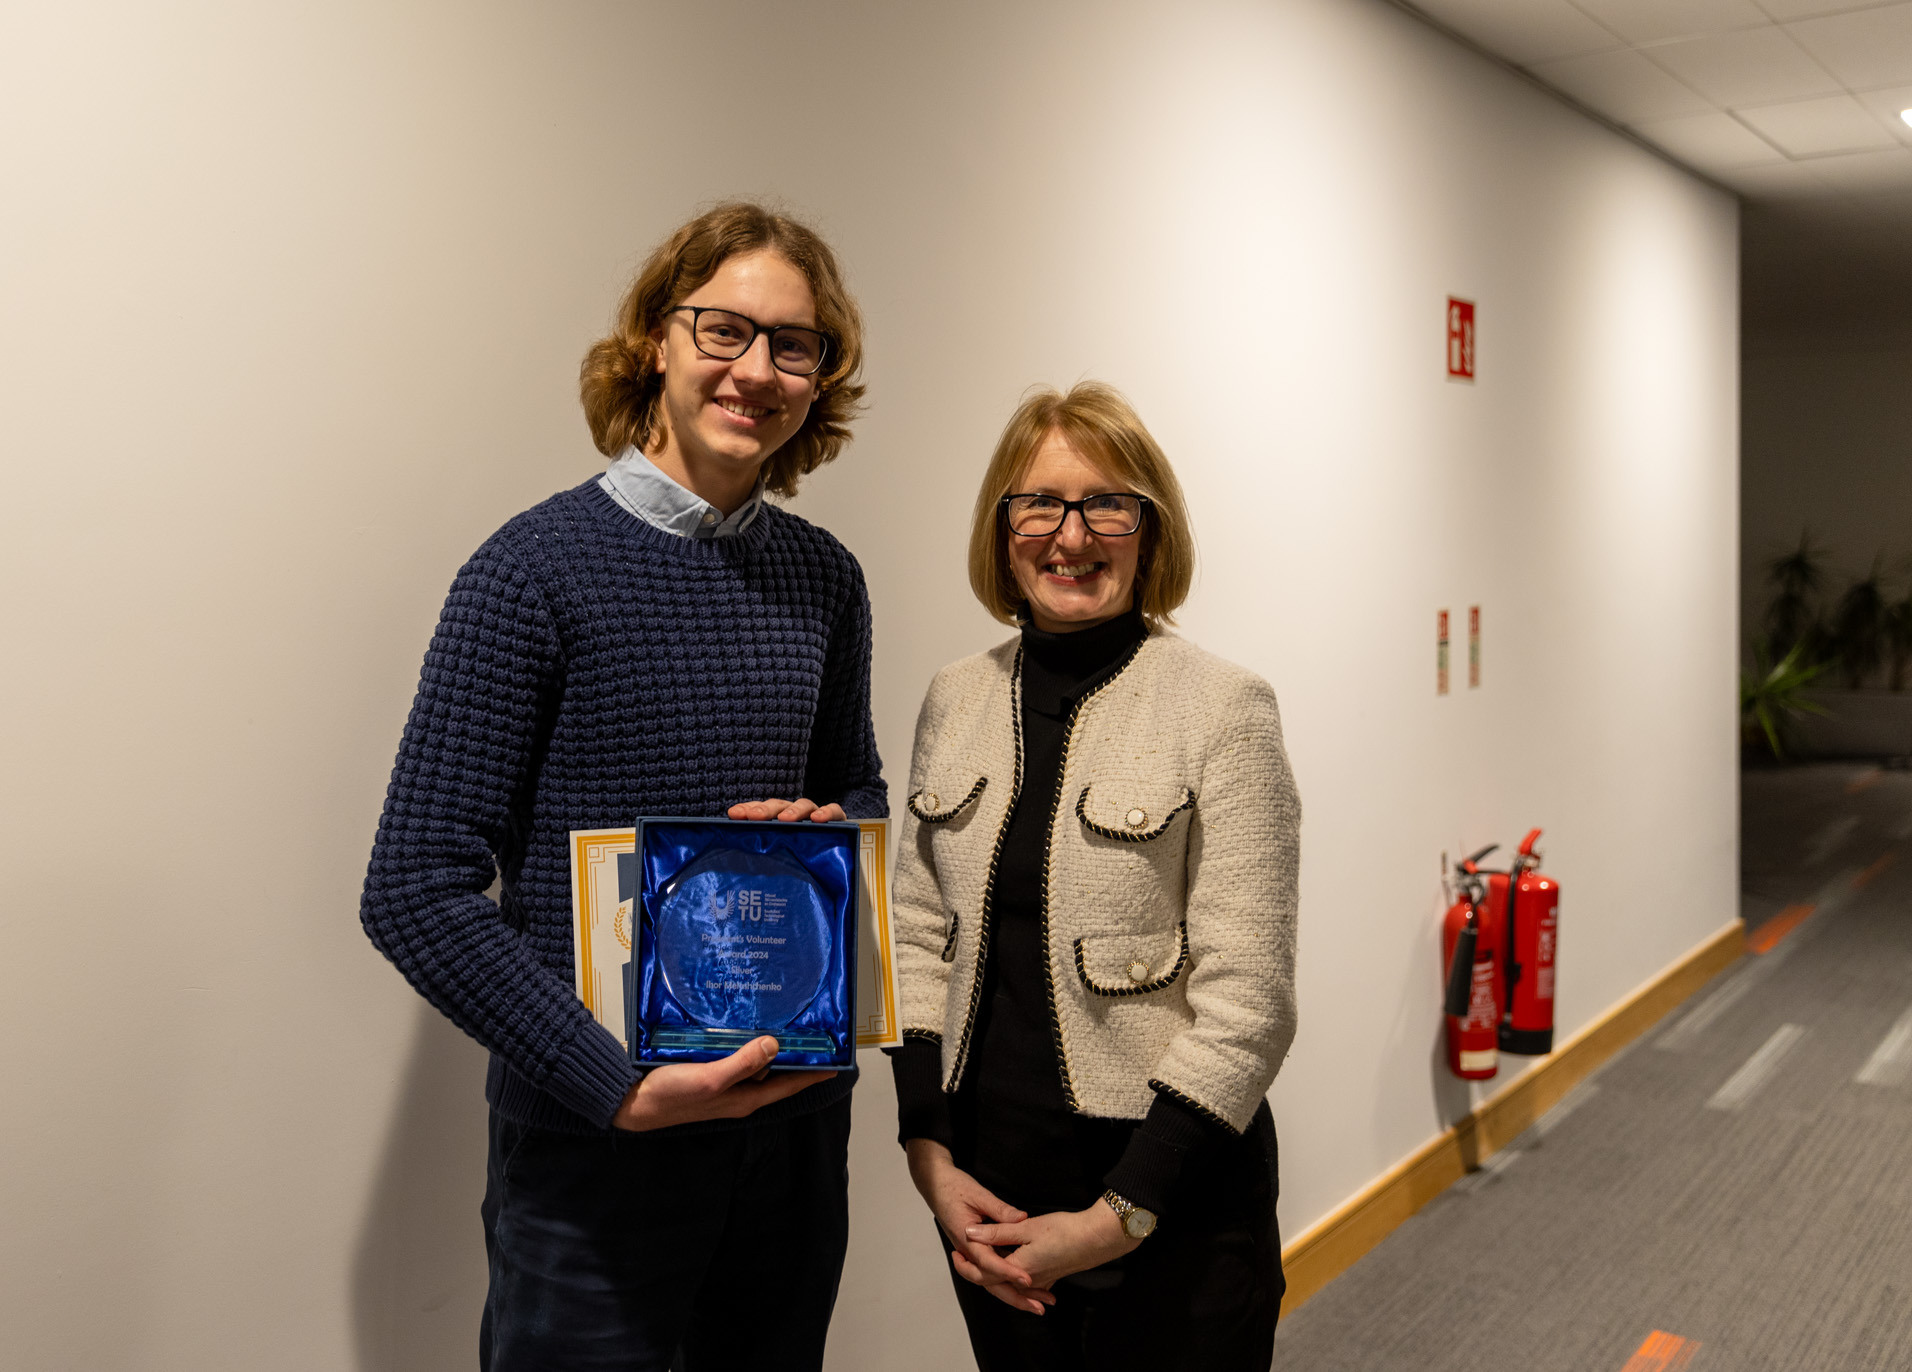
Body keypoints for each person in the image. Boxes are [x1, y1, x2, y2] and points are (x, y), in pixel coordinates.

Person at [360, 203, 886, 1372]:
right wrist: (616, 1089)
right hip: (596, 1152)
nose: (756, 369)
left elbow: (856, 789)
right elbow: (414, 887)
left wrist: (830, 827)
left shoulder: (824, 579)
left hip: (787, 1136)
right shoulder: (528, 572)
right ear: (655, 337)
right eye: (724, 330)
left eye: (792, 345)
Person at [887, 382, 1300, 1370]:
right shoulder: (954, 697)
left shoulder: (1223, 709)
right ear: (1002, 528)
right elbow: (910, 929)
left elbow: (1249, 1006)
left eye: (1106, 503)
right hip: (987, 1186)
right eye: (1039, 502)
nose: (1070, 534)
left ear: (1149, 530)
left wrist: (1117, 1217)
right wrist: (926, 1151)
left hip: (1170, 1194)